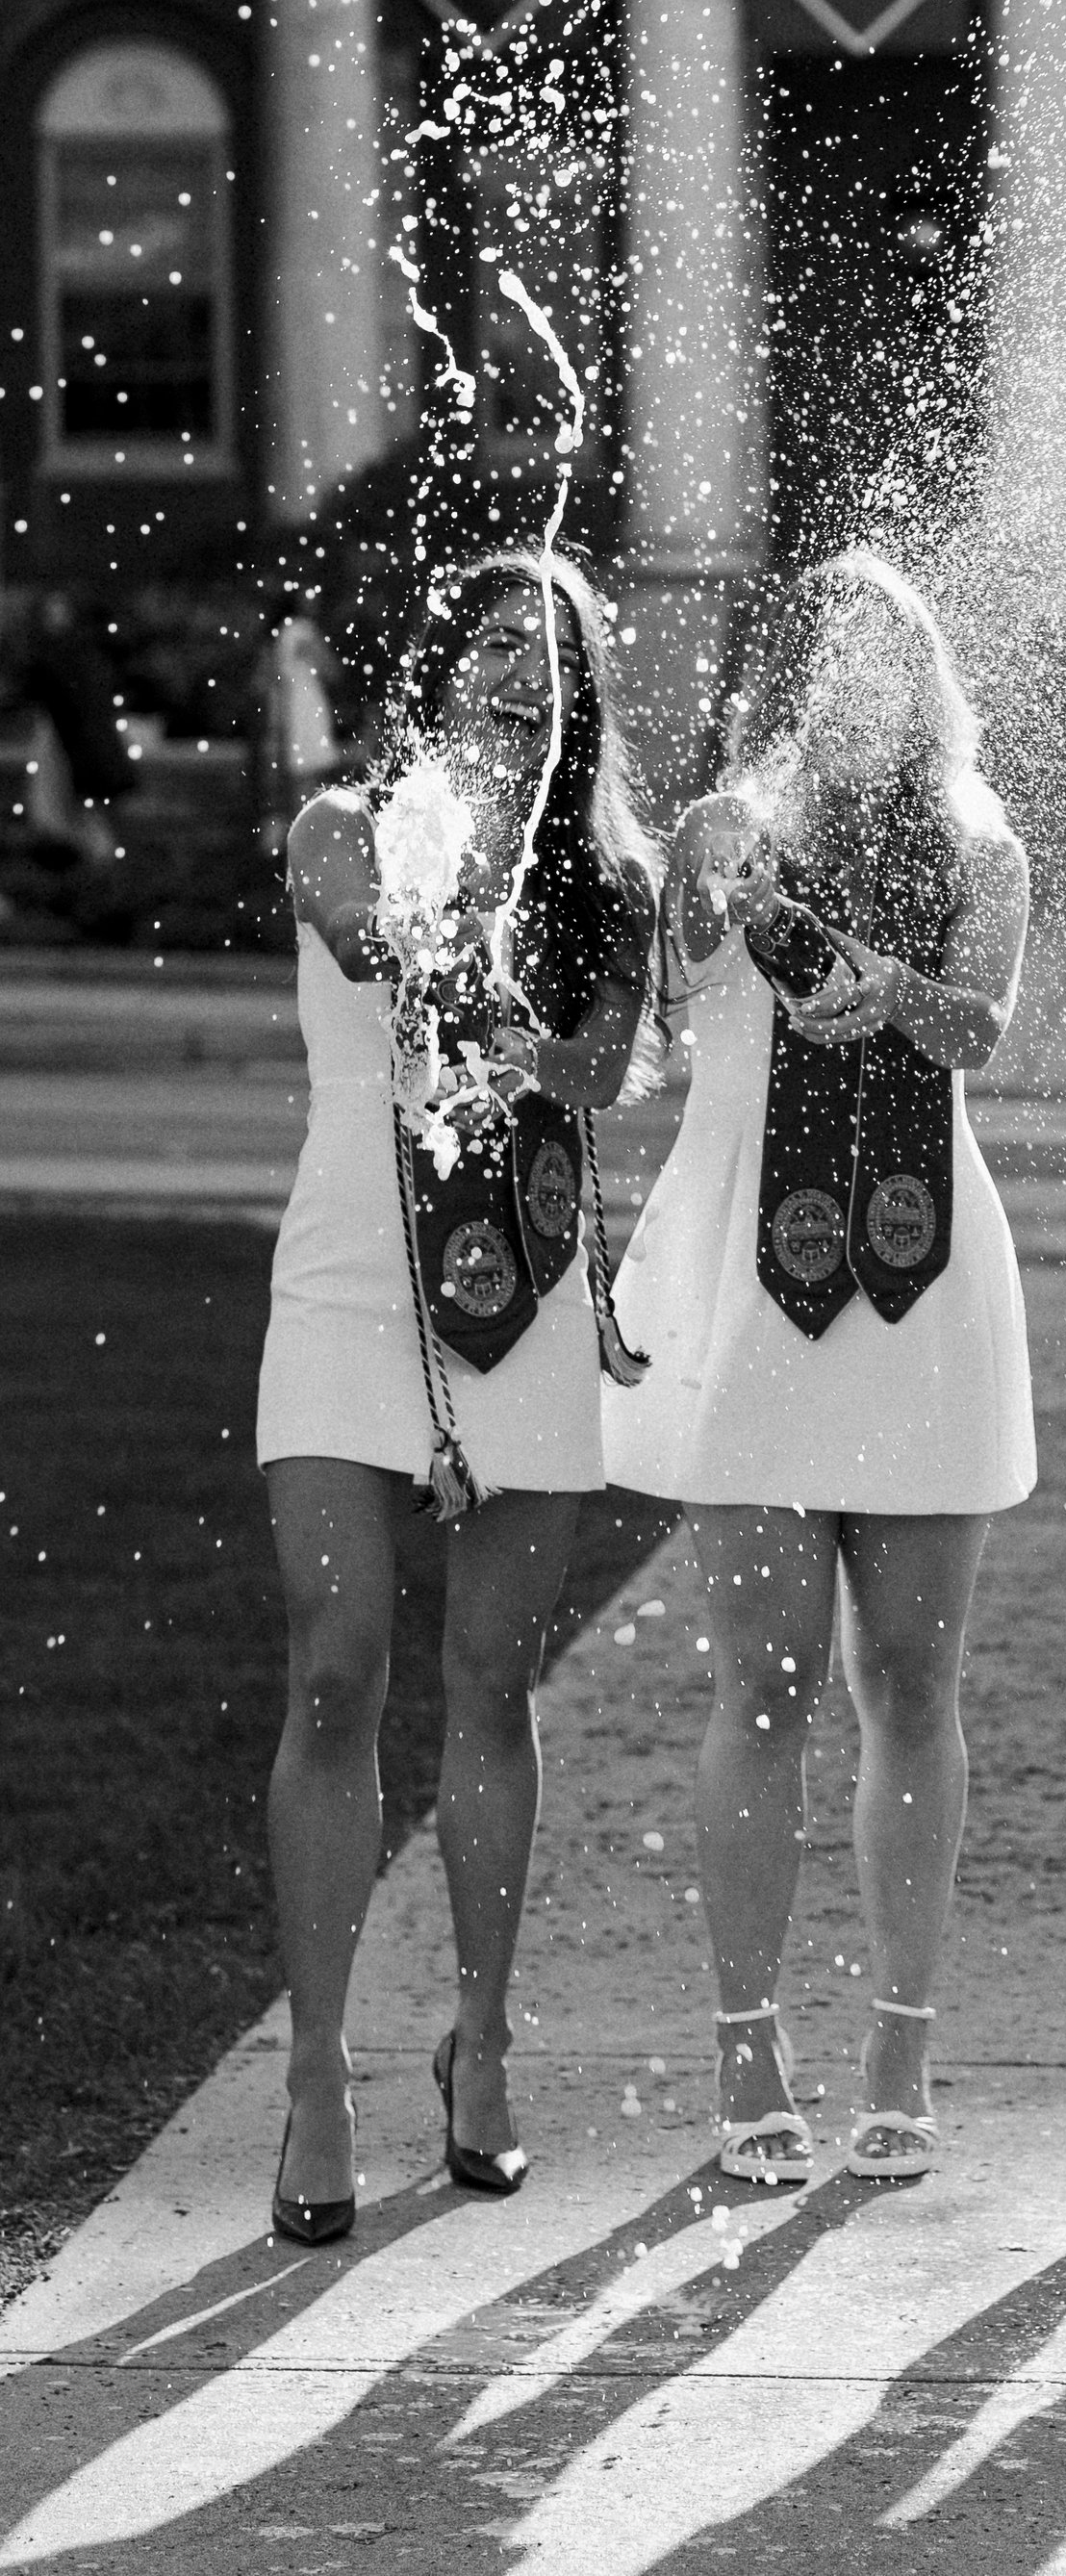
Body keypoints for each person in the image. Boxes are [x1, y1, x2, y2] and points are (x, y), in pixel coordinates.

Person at [605, 551, 1033, 2188]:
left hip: (926, 1307)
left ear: (927, 680)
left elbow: (979, 1023)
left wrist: (895, 987)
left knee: (912, 1684)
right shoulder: (726, 828)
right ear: (798, 679)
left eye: (893, 653)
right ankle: (746, 2047)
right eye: (835, 654)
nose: (863, 679)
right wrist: (735, 898)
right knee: (765, 1680)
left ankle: (901, 2047)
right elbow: (662, 1015)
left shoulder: (984, 841)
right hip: (758, 1309)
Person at [256, 548, 659, 2245]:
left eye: (548, 652)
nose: (514, 669)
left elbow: (595, 1072)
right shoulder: (350, 825)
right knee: (335, 1666)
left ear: (582, 698)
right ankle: (319, 2072)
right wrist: (456, 890)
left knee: (492, 1682)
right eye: (489, 639)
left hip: (533, 1305)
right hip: (351, 1286)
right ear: (442, 667)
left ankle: (480, 2041)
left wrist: (516, 974)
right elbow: (370, 938)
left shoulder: (611, 884)